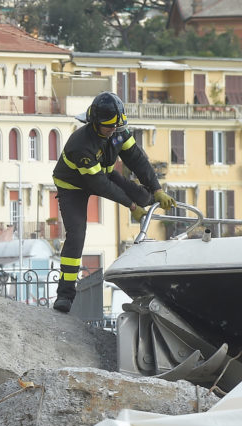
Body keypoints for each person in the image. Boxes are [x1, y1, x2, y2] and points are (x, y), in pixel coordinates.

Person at [52, 91, 175, 313]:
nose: (113, 131)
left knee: (143, 197)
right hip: (74, 186)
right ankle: (65, 295)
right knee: (77, 235)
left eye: (116, 127)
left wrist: (157, 190)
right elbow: (99, 185)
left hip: (103, 173)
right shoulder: (80, 144)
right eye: (108, 127)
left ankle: (146, 197)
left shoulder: (118, 132)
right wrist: (132, 207)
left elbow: (137, 160)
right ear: (95, 123)